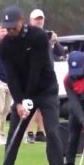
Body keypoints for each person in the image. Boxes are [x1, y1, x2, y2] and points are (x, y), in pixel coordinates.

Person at [0, 5, 68, 165]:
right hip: (23, 93)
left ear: (21, 21)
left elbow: (36, 68)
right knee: (14, 136)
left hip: (46, 89)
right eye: (6, 28)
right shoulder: (5, 46)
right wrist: (18, 102)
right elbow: (12, 76)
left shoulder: (38, 36)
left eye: (12, 27)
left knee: (52, 132)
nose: (10, 31)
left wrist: (28, 99)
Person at [24, 9, 64, 143]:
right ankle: (29, 133)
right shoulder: (27, 35)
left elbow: (60, 52)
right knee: (30, 106)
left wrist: (54, 41)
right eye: (36, 19)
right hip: (31, 76)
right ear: (31, 21)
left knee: (43, 107)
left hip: (47, 77)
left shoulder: (48, 35)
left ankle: (41, 132)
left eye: (41, 18)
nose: (39, 21)